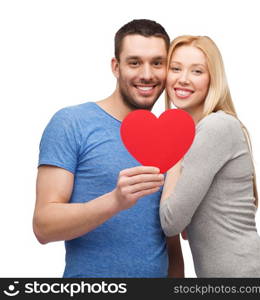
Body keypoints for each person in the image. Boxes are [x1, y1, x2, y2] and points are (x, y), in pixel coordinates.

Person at [33, 19, 184, 278]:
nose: (147, 74)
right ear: (116, 67)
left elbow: (169, 239)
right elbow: (43, 226)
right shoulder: (72, 123)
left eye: (157, 63)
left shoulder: (172, 138)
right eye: (134, 62)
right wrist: (115, 201)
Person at [159, 35, 260, 277]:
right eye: (175, 68)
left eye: (197, 71)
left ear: (212, 79)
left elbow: (171, 222)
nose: (183, 79)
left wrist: (172, 149)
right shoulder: (199, 132)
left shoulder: (216, 127)